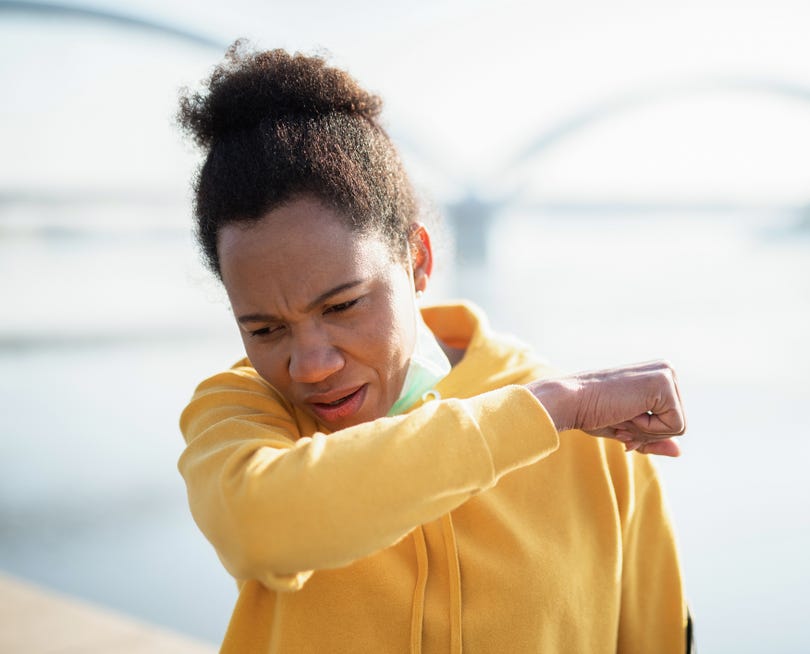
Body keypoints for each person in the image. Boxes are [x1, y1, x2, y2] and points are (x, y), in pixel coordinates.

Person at [177, 41, 692, 654]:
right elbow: (258, 527)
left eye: (342, 306)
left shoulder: (598, 442)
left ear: (417, 260)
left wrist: (558, 414)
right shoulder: (241, 413)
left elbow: (659, 638)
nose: (311, 365)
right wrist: (549, 411)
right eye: (265, 329)